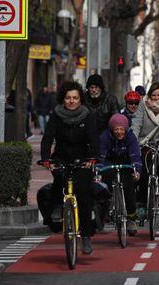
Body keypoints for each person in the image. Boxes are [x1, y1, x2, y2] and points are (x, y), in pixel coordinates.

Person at [40, 81, 98, 255]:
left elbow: (94, 139)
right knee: (59, 180)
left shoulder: (88, 115)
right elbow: (47, 139)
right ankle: (58, 207)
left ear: (80, 99)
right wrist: (46, 159)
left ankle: (86, 237)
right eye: (68, 98)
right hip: (61, 157)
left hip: (83, 158)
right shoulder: (56, 115)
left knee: (83, 194)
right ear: (62, 99)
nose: (71, 101)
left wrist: (93, 158)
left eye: (75, 98)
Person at [98, 113, 142, 235]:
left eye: (121, 129)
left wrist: (137, 171)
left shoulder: (131, 137)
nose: (119, 132)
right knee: (103, 188)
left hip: (126, 163)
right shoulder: (104, 137)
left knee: (129, 188)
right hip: (109, 162)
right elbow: (100, 156)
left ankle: (131, 219)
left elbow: (135, 155)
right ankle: (103, 215)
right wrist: (98, 171)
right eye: (116, 129)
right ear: (112, 130)